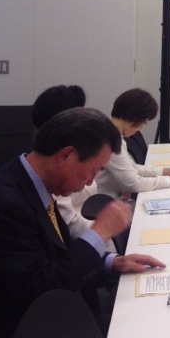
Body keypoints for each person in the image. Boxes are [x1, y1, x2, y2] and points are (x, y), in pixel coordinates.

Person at [0, 108, 165, 338]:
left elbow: (59, 255)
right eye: (92, 171)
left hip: (68, 319)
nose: (90, 182)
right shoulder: (6, 202)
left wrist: (112, 262)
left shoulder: (34, 184)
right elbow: (42, 290)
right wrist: (99, 232)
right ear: (66, 156)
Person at [31, 84, 116, 249]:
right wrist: (108, 228)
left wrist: (112, 259)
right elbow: (70, 229)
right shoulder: (53, 176)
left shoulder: (73, 158)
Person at [95, 88, 170, 197]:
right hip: (103, 202)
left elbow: (133, 168)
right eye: (144, 121)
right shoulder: (111, 140)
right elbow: (135, 184)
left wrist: (169, 171)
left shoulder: (111, 133)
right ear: (134, 116)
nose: (142, 127)